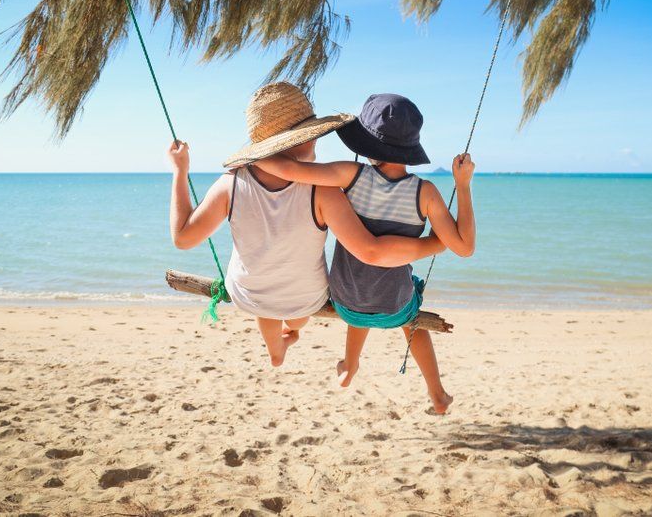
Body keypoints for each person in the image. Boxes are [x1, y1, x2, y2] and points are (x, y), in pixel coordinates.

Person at [167, 83, 445, 369]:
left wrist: (180, 171)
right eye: (312, 135)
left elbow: (183, 238)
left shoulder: (231, 183)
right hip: (307, 299)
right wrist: (435, 242)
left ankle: (276, 351)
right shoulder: (322, 190)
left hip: (248, 295)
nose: (316, 142)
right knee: (296, 317)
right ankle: (294, 331)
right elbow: (367, 250)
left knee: (267, 307)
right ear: (302, 139)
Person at [253, 93, 475, 414]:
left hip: (346, 301)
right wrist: (463, 185)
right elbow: (464, 248)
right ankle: (437, 394)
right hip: (396, 305)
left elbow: (286, 170)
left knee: (362, 295)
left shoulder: (350, 175)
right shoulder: (425, 193)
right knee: (412, 320)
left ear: (368, 144)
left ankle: (350, 365)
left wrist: (254, 155)